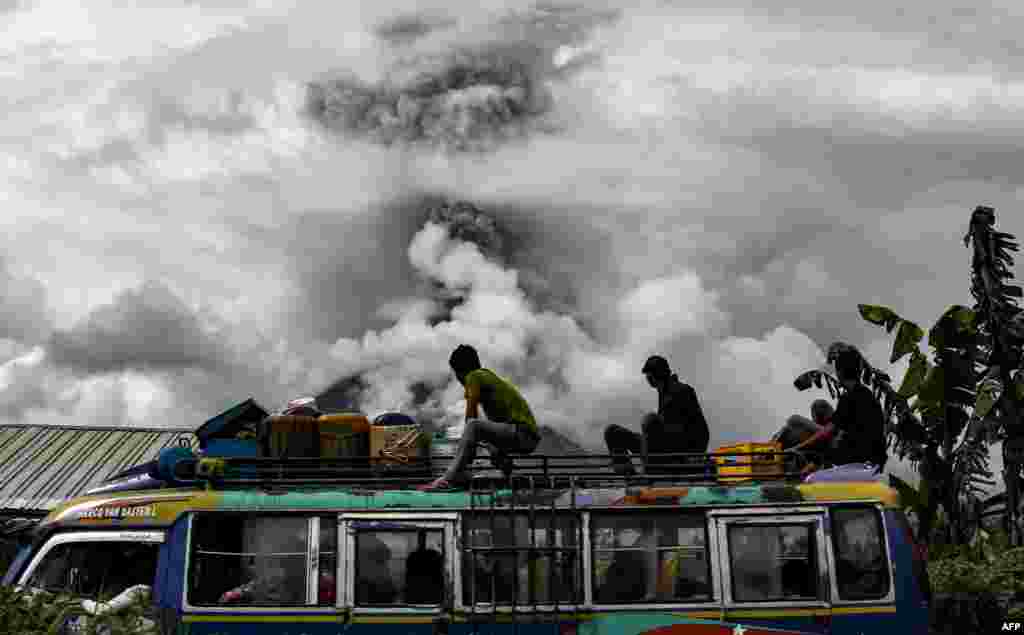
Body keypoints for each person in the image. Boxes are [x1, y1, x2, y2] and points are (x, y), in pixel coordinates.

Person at [418, 345, 541, 491]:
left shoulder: (474, 376)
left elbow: (471, 417)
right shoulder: (487, 377)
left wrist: (469, 448)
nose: (458, 380)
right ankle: (511, 475)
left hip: (522, 433)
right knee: (485, 440)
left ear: (460, 372)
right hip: (526, 436)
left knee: (473, 426)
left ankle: (447, 479)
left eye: (456, 374)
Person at [604, 355, 709, 476]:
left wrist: (692, 457)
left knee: (650, 420)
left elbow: (701, 432)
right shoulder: (663, 391)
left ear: (655, 376)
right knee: (613, 432)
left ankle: (649, 475)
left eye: (648, 376)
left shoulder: (682, 391)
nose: (647, 380)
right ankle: (628, 476)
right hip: (660, 448)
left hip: (676, 453)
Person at [792, 349, 887, 472]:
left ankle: (800, 474)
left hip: (858, 457)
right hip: (874, 458)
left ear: (839, 372)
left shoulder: (849, 398)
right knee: (826, 447)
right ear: (859, 372)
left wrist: (799, 447)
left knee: (794, 420)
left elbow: (827, 432)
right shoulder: (867, 395)